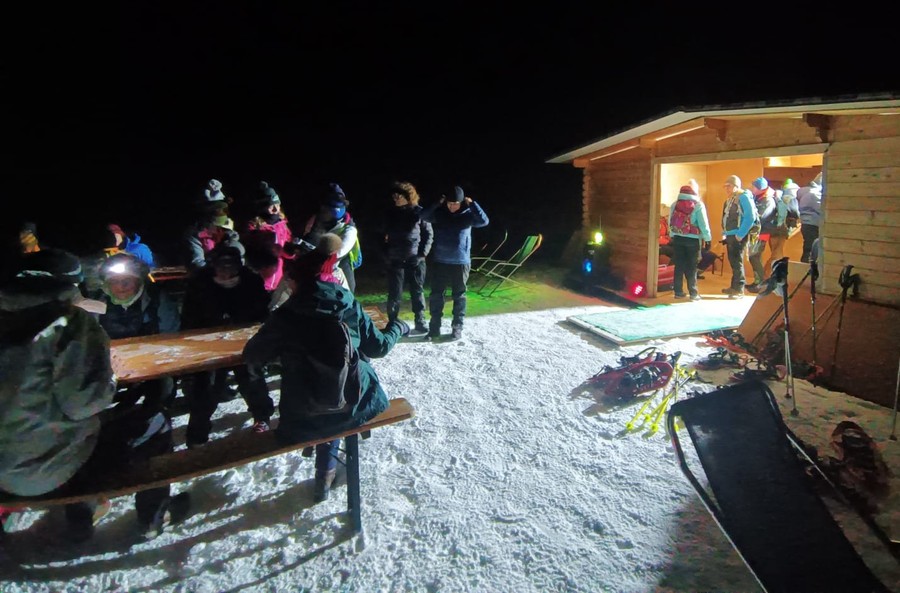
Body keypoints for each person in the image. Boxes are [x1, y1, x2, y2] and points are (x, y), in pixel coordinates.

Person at [0, 249, 185, 541]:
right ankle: (150, 516)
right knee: (156, 421)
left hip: (4, 466)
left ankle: (83, 514)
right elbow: (85, 402)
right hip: (42, 472)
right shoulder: (69, 322)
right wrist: (109, 379)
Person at [242, 234, 410, 502]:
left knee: (323, 405)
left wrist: (284, 354)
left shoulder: (286, 315)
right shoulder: (346, 304)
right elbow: (378, 348)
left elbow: (253, 355)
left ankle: (325, 471)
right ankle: (326, 471)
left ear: (295, 282)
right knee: (340, 392)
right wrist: (396, 327)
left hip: (302, 415)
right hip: (355, 405)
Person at [180, 244, 275, 446]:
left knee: (251, 377)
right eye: (221, 266)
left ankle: (262, 418)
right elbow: (189, 316)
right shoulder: (201, 283)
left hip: (242, 339)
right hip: (210, 341)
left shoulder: (250, 281)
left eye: (230, 266)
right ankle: (197, 435)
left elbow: (261, 311)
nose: (225, 271)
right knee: (206, 386)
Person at [93, 252, 180, 412]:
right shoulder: (96, 304)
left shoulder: (156, 300)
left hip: (151, 362)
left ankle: (156, 418)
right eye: (115, 281)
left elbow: (170, 335)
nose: (121, 286)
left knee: (161, 391)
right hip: (110, 363)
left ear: (139, 281)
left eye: (127, 281)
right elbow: (88, 339)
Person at [421, 185, 489, 340]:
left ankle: (457, 327)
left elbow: (484, 221)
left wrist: (472, 204)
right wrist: (438, 203)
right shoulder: (440, 214)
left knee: (459, 296)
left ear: (462, 202)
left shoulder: (468, 215)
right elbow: (424, 215)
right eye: (449, 203)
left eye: (456, 203)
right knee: (436, 295)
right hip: (440, 261)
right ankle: (434, 328)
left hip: (461, 261)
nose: (452, 206)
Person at [382, 181, 433, 333]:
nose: (396, 199)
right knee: (394, 292)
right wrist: (385, 254)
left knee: (417, 290)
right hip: (395, 259)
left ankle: (420, 319)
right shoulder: (390, 213)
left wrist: (422, 254)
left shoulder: (420, 212)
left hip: (415, 258)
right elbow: (381, 235)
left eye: (399, 196)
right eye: (394, 196)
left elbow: (428, 234)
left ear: (408, 196)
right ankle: (393, 321)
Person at [303, 183, 361, 293]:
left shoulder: (348, 226)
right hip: (317, 261)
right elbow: (310, 240)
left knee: (347, 292)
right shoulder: (316, 221)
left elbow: (345, 245)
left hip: (341, 261)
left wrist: (331, 258)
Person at [243, 181, 295, 293]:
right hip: (261, 277)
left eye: (277, 205)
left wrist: (290, 252)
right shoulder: (255, 226)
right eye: (271, 206)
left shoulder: (282, 223)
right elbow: (249, 253)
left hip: (278, 276)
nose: (276, 209)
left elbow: (285, 247)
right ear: (262, 207)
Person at [668, 184, 711, 301]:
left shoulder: (675, 204)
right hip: (693, 239)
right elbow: (703, 224)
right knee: (692, 267)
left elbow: (670, 221)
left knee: (679, 266)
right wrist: (707, 238)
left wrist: (672, 235)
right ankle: (693, 293)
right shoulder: (698, 205)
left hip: (678, 238)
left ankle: (678, 292)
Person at [720, 175, 759, 298]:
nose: (727, 189)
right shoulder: (732, 198)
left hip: (738, 236)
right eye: (725, 186)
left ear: (736, 186)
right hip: (731, 235)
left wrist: (740, 234)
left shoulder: (743, 197)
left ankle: (739, 288)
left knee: (737, 262)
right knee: (734, 262)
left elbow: (750, 217)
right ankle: (734, 287)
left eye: (729, 186)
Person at [746, 177, 778, 293]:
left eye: (754, 186)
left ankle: (760, 282)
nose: (751, 188)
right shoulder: (759, 198)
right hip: (757, 232)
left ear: (760, 188)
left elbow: (762, 217)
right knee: (755, 257)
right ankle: (757, 281)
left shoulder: (768, 200)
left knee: (754, 256)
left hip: (763, 232)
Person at [765, 178, 802, 274]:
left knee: (775, 253)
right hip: (781, 229)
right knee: (777, 254)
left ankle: (767, 276)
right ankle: (767, 276)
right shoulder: (790, 197)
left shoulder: (777, 195)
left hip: (772, 228)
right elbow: (795, 212)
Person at [797, 172, 823, 263]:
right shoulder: (814, 194)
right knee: (811, 249)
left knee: (808, 247)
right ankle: (807, 269)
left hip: (805, 223)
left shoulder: (803, 192)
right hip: (814, 224)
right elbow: (821, 210)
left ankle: (804, 267)